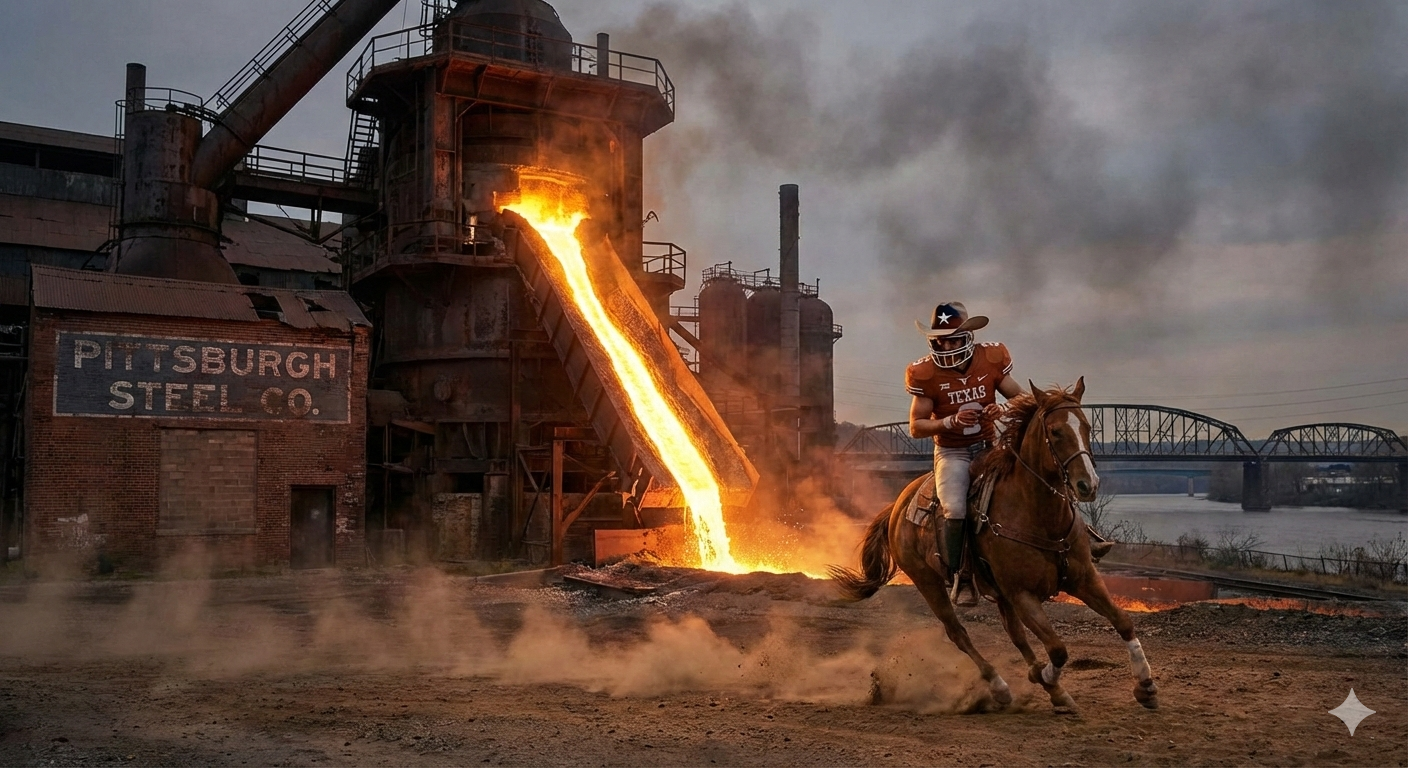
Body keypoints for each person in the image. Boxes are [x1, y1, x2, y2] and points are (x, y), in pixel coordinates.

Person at [905, 302, 1022, 606]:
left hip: (988, 446)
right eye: (945, 339)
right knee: (955, 508)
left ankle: (1081, 539)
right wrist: (949, 421)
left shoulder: (991, 358)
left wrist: (1004, 408)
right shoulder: (925, 373)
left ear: (968, 336)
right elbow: (916, 427)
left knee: (1034, 477)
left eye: (957, 338)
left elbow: (1021, 398)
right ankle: (961, 576)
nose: (951, 345)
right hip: (952, 452)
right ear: (936, 340)